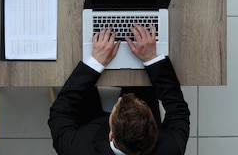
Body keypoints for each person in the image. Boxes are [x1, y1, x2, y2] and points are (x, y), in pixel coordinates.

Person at [48, 25, 190, 155]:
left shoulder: (76, 148)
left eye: (117, 105)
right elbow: (178, 110)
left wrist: (95, 63)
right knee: (140, 80)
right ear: (154, 131)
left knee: (80, 90)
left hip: (91, 128)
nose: (120, 99)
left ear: (110, 136)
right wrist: (152, 60)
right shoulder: (172, 148)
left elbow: (60, 112)